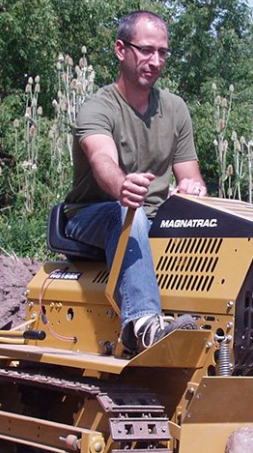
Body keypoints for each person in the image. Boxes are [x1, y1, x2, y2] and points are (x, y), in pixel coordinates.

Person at [63, 10, 205, 354]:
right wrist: (124, 186)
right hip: (94, 214)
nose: (155, 61)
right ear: (120, 50)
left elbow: (192, 178)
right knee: (129, 213)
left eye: (162, 52)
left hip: (158, 217)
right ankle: (142, 327)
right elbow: (103, 162)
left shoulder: (175, 109)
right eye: (145, 50)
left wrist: (194, 190)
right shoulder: (98, 107)